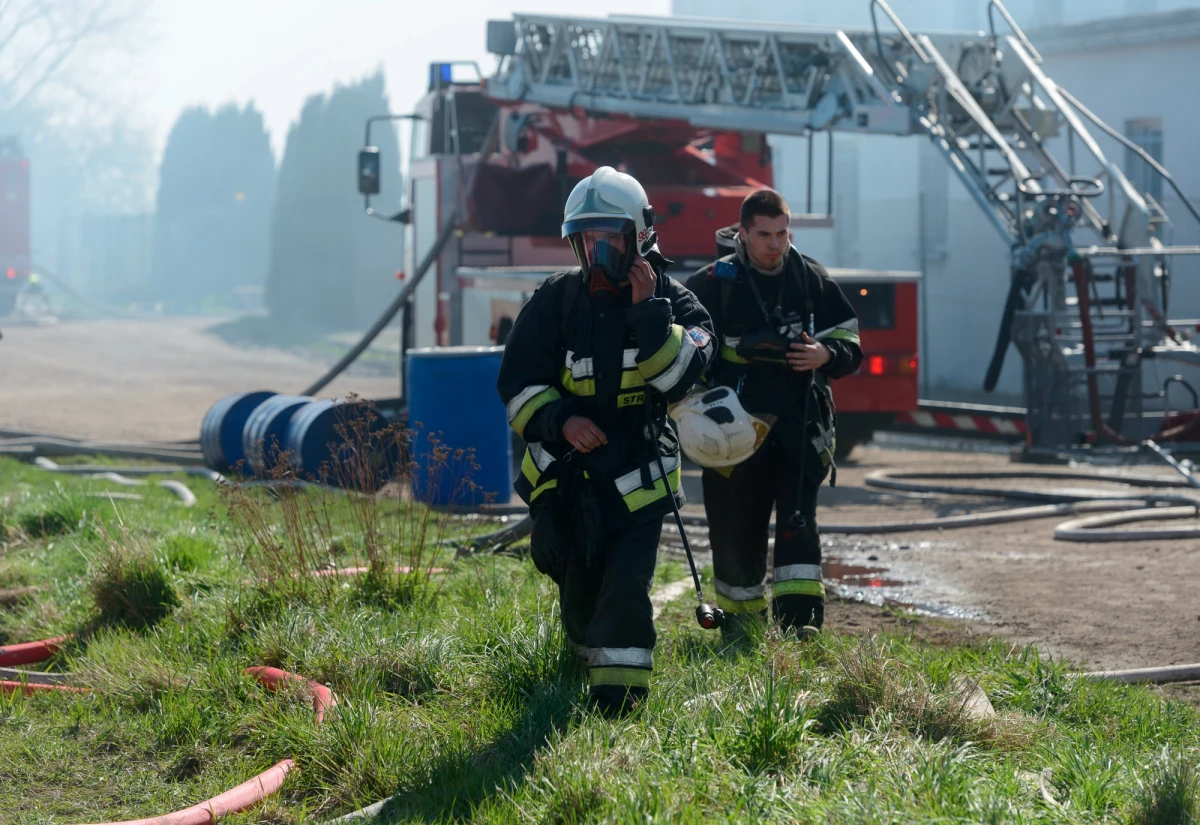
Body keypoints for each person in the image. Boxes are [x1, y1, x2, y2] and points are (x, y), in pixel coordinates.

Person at [497, 166, 716, 716]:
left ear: (639, 237)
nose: (598, 254)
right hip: (569, 480)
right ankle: (580, 670)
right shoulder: (556, 301)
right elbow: (518, 386)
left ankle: (618, 709)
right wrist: (562, 422)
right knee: (580, 594)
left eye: (610, 239)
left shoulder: (678, 304)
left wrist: (648, 316)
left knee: (625, 590)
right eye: (587, 240)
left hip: (638, 484)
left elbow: (678, 378)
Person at [684, 189, 863, 642]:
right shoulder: (712, 283)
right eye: (763, 235)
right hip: (731, 434)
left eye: (782, 234)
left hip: (798, 431)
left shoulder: (810, 278)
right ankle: (741, 632)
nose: (774, 245)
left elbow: (850, 341)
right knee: (734, 530)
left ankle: (800, 629)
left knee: (798, 533)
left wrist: (826, 353)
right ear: (742, 234)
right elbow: (680, 350)